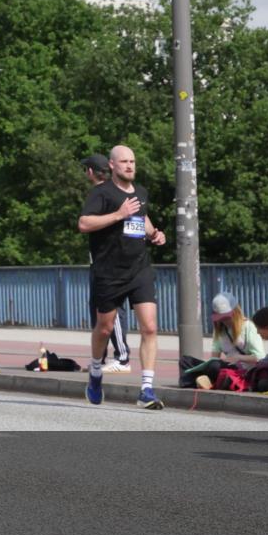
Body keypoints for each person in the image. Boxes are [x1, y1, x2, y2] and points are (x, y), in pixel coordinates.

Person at [78, 145, 167, 409]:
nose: (130, 166)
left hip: (139, 269)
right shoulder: (101, 193)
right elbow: (83, 224)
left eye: (133, 161)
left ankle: (147, 390)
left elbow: (142, 216)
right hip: (109, 273)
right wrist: (119, 214)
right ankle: (95, 373)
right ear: (113, 166)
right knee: (104, 328)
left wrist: (154, 234)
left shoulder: (140, 192)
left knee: (150, 327)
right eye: (124, 162)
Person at [81, 154, 131, 372]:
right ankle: (98, 357)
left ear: (91, 172)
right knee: (99, 310)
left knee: (111, 310)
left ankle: (122, 357)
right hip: (104, 261)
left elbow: (85, 223)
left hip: (110, 262)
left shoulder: (104, 193)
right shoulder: (113, 192)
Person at [179, 293, 266, 390]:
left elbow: (260, 357)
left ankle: (201, 381)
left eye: (226, 317)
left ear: (235, 312)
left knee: (214, 366)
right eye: (221, 318)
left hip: (243, 370)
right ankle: (205, 381)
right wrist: (206, 365)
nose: (224, 321)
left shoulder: (248, 327)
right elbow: (214, 357)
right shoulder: (219, 330)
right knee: (185, 361)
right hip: (226, 366)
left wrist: (238, 358)